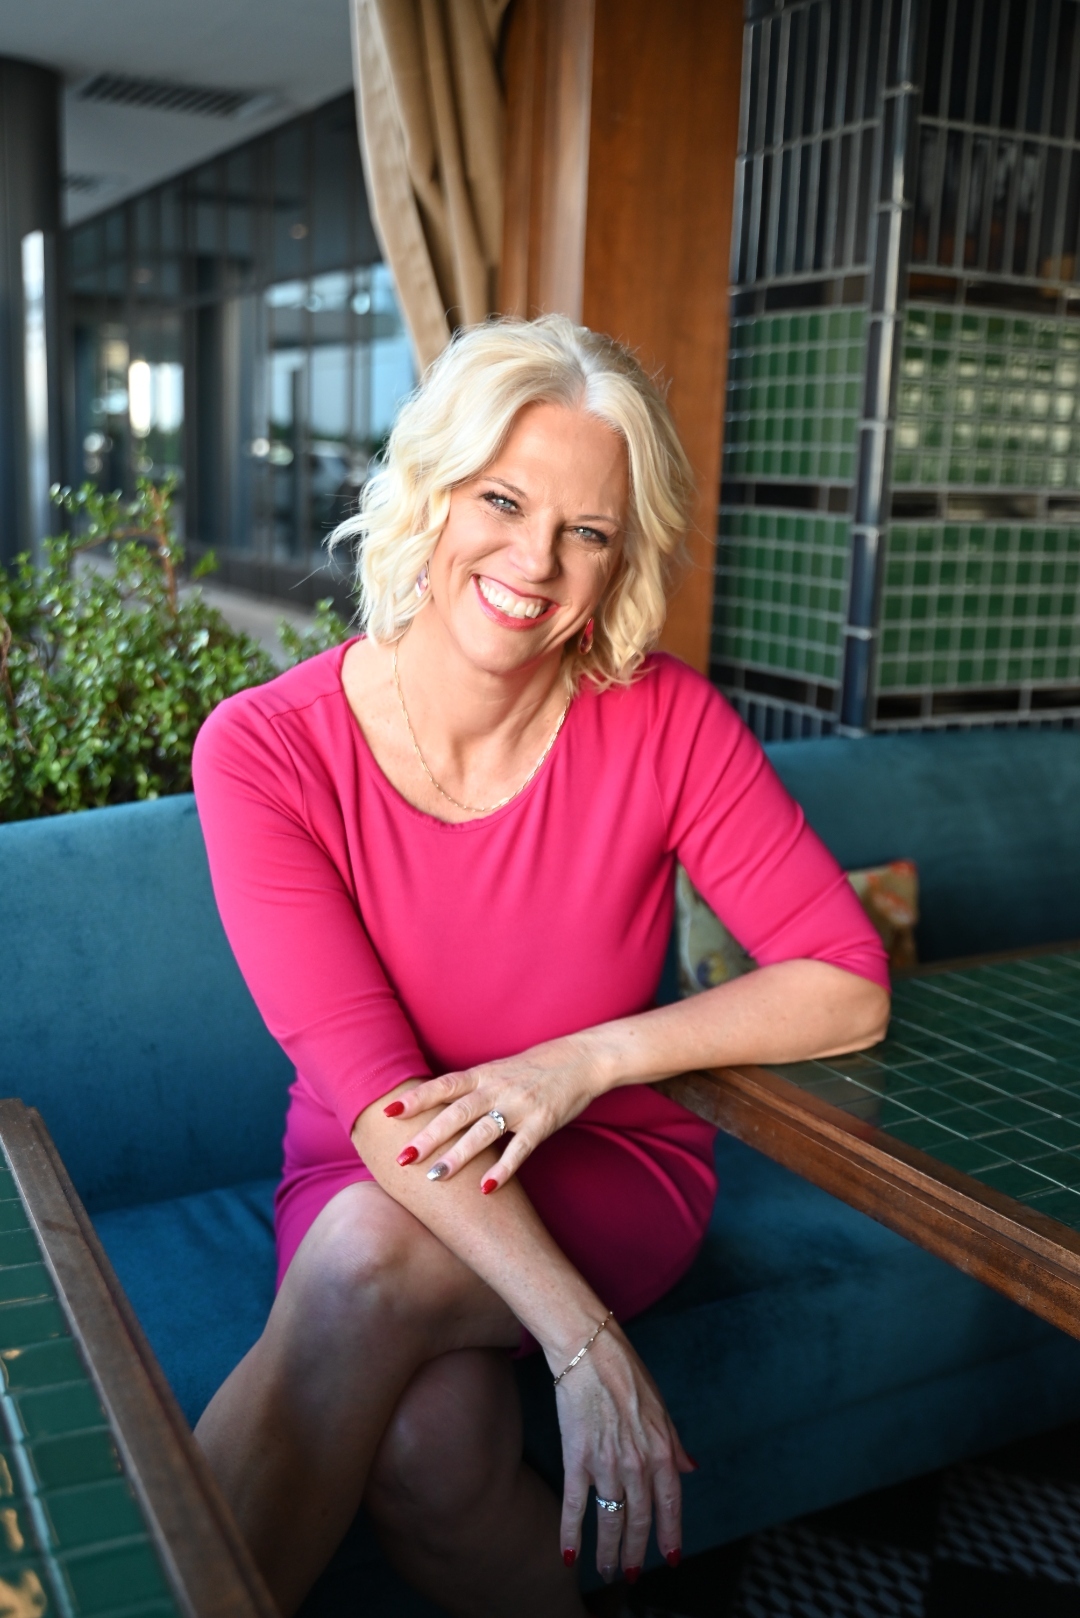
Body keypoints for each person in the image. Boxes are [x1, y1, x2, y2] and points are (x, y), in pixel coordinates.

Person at [191, 315, 890, 1617]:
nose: (537, 561)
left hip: (604, 1157)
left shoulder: (662, 718)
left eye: (589, 530)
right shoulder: (262, 754)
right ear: (431, 489)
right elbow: (374, 1092)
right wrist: (584, 1342)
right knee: (431, 1446)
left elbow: (846, 981)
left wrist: (583, 1062)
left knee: (358, 1267)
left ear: (621, 558)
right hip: (370, 1152)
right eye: (504, 499)